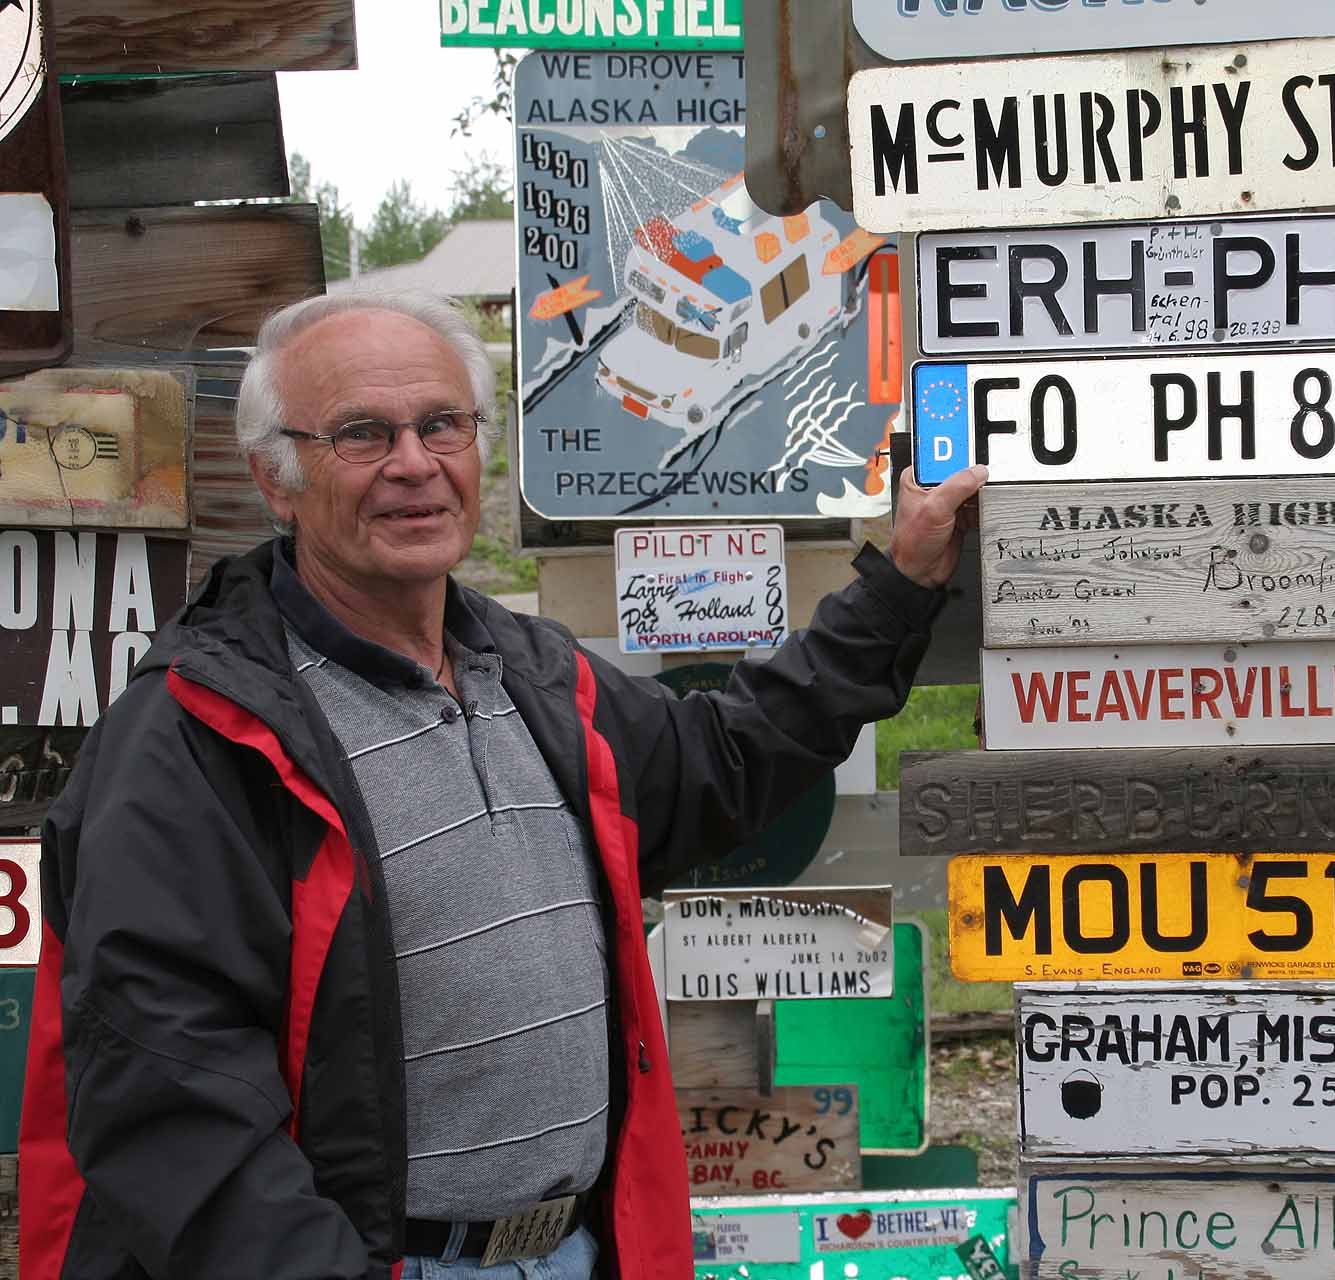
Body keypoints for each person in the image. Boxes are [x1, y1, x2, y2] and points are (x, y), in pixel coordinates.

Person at [17, 290, 985, 1279]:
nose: (414, 462)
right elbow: (176, 1111)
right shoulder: (196, 739)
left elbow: (720, 760)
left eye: (443, 423)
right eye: (362, 433)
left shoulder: (532, 675)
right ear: (278, 479)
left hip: (574, 1250)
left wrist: (901, 583)